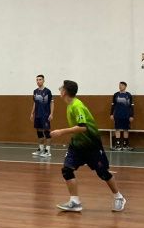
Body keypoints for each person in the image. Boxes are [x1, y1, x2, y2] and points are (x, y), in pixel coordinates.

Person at [50, 80, 126, 213]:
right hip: (77, 145)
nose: (59, 90)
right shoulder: (70, 105)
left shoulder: (76, 106)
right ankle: (75, 202)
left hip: (91, 145)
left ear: (65, 92)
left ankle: (119, 197)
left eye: (61, 88)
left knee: (103, 173)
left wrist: (61, 131)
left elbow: (82, 127)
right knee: (67, 169)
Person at [30, 74, 54, 157]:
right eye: (37, 80)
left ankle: (48, 151)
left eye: (40, 79)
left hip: (45, 115)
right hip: (38, 115)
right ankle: (40, 149)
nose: (38, 81)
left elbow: (52, 102)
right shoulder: (35, 91)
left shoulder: (48, 91)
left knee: (47, 132)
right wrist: (32, 113)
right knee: (39, 132)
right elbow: (35, 103)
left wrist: (51, 113)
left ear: (43, 81)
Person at [110, 82, 135, 151]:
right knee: (117, 129)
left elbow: (131, 107)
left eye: (122, 85)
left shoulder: (129, 95)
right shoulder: (116, 95)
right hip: (117, 115)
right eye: (119, 85)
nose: (120, 86)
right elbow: (113, 105)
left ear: (125, 86)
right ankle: (118, 146)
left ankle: (125, 146)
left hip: (126, 115)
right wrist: (111, 114)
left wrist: (131, 115)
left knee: (126, 130)